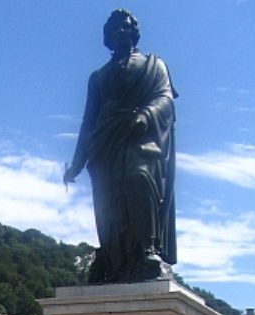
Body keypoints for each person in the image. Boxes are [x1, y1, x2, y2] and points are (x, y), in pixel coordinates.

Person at [63, 9, 176, 284]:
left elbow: (166, 98)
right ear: (107, 38)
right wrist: (77, 162)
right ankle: (111, 256)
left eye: (125, 27)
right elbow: (88, 121)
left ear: (134, 32)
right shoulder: (98, 77)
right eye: (115, 29)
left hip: (141, 138)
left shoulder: (154, 65)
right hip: (105, 143)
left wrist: (146, 115)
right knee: (105, 199)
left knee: (138, 179)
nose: (121, 32)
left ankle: (147, 248)